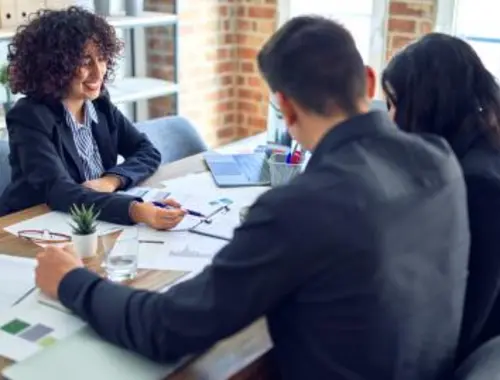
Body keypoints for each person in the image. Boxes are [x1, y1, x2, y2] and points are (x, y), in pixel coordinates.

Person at [35, 17, 470, 380]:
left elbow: (167, 330)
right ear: (369, 81)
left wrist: (71, 281)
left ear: (285, 106)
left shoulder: (302, 206)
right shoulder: (440, 159)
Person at [0, 7, 184, 229]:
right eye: (86, 62)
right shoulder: (29, 117)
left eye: (102, 58)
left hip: (91, 221)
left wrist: (111, 181)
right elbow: (60, 191)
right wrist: (134, 210)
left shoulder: (100, 104)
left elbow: (147, 151)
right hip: (33, 226)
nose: (99, 73)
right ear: (56, 66)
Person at [382, 33, 500, 360]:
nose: (391, 119)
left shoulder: (479, 185)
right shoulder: (476, 149)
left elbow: (465, 319)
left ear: (427, 102)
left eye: (395, 104)